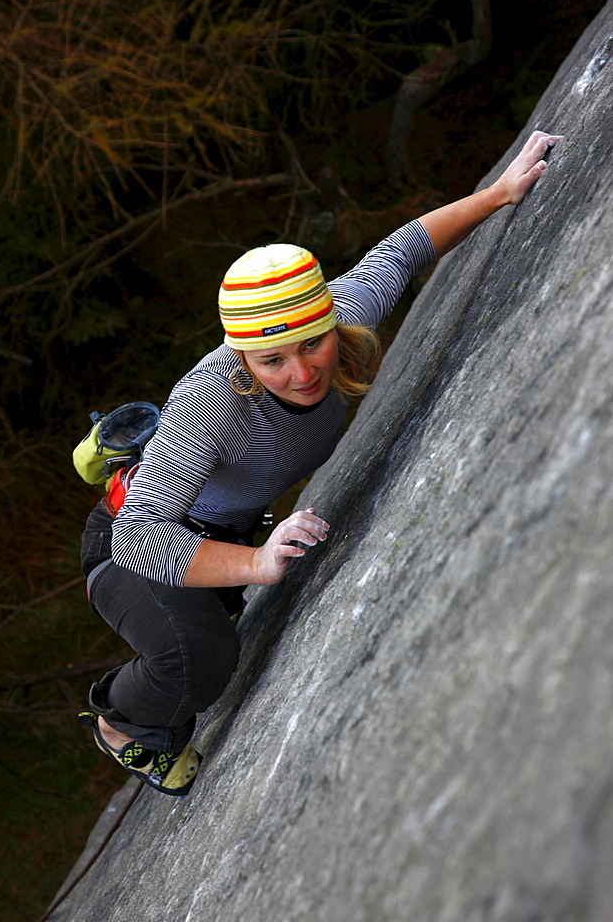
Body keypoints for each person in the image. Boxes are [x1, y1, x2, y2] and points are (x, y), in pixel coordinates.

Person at [78, 130, 561, 796]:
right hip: (129, 542)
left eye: (313, 345)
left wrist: (499, 193)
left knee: (205, 635)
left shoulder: (338, 317)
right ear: (242, 359)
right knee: (200, 659)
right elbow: (140, 534)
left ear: (328, 323)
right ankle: (121, 724)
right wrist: (257, 564)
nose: (303, 371)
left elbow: (400, 251)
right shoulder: (210, 403)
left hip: (213, 535)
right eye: (273, 360)